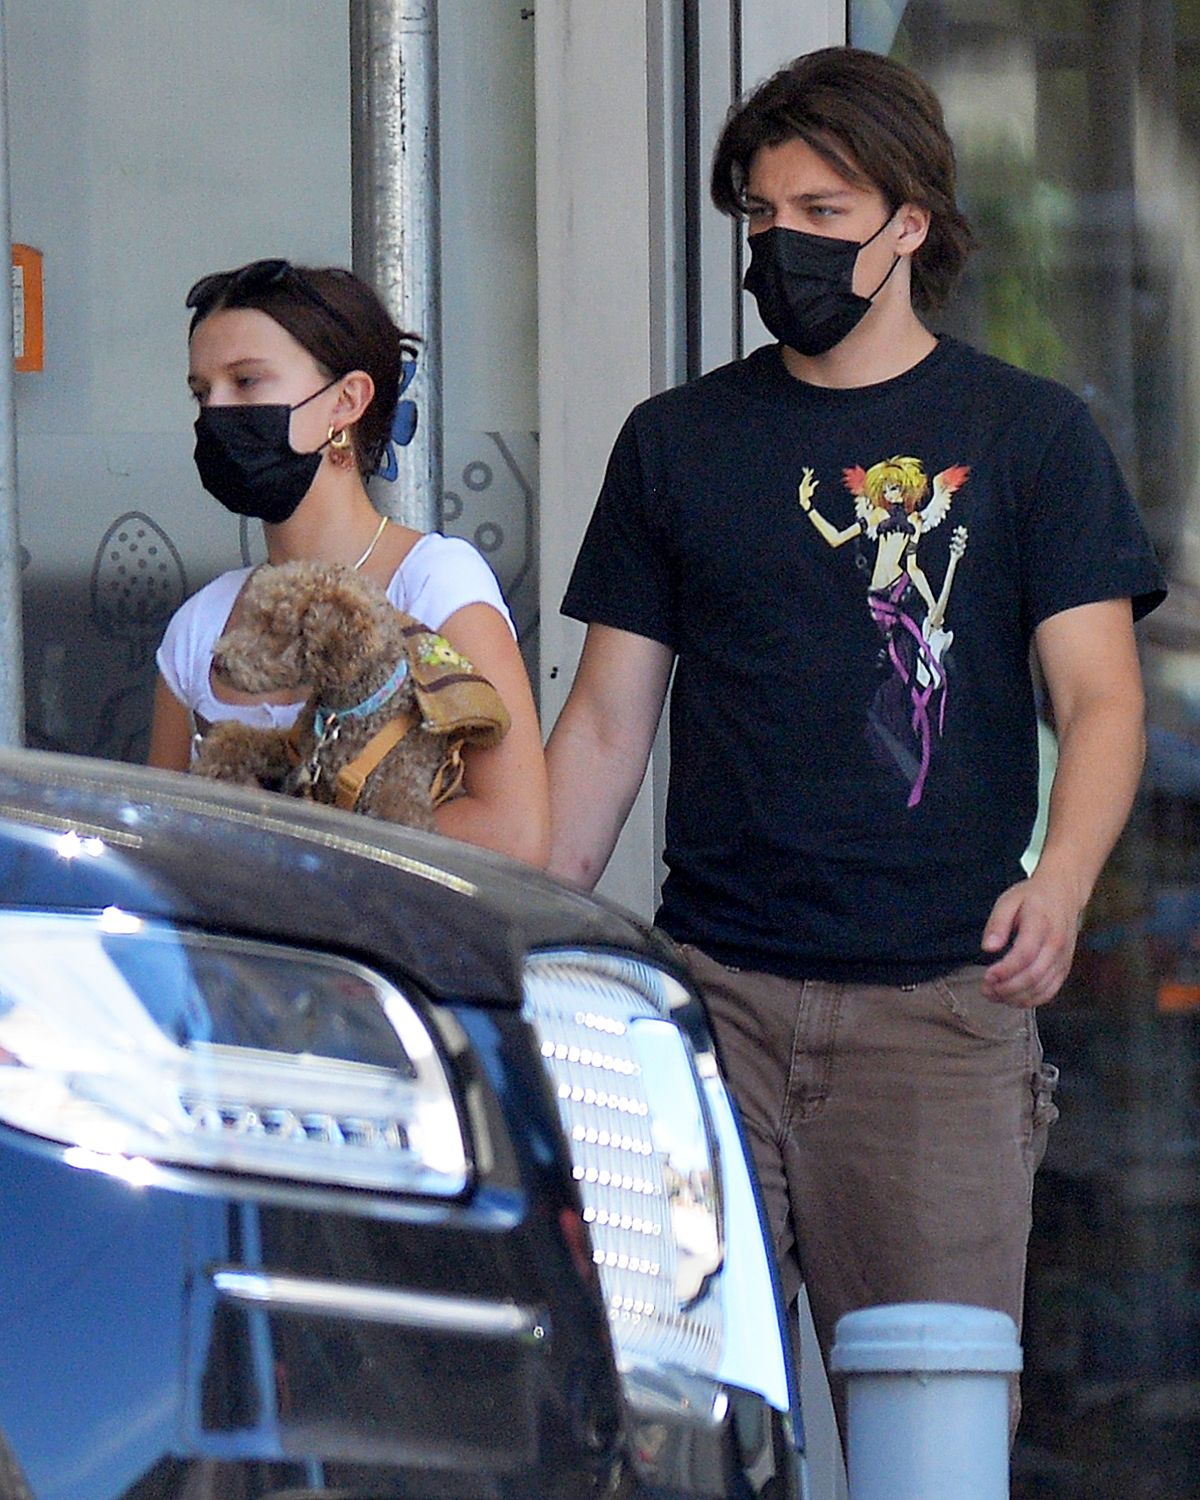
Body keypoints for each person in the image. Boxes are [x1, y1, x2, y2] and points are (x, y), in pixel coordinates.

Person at [544, 46, 1166, 1438]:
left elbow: (1104, 700)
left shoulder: (1031, 436)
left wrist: (1060, 885)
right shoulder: (676, 444)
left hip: (941, 1023)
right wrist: (520, 934)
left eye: (823, 214)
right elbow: (602, 725)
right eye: (763, 216)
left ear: (910, 225)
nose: (785, 246)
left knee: (928, 1443)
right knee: (678, 1433)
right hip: (711, 1010)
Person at [148, 258, 548, 866]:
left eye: (246, 382)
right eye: (202, 393)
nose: (216, 412)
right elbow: (157, 844)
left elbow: (515, 834)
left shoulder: (433, 583)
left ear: (346, 401)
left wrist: (288, 841)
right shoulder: (199, 627)